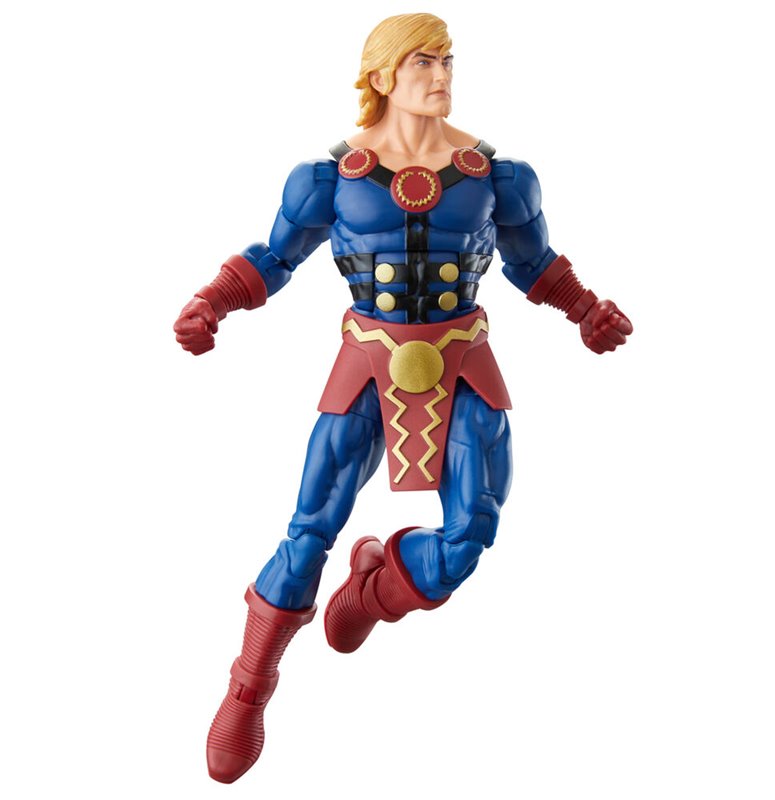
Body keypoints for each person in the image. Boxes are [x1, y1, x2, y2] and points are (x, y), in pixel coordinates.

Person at [174, 12, 632, 784]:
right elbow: (276, 256)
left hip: (463, 361)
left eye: (448, 61)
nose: (441, 76)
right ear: (382, 75)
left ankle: (374, 589)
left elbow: (533, 262)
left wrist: (586, 309)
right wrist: (212, 301)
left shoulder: (499, 177)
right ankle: (249, 686)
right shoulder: (328, 178)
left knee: (468, 537)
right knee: (309, 532)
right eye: (423, 62)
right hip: (367, 362)